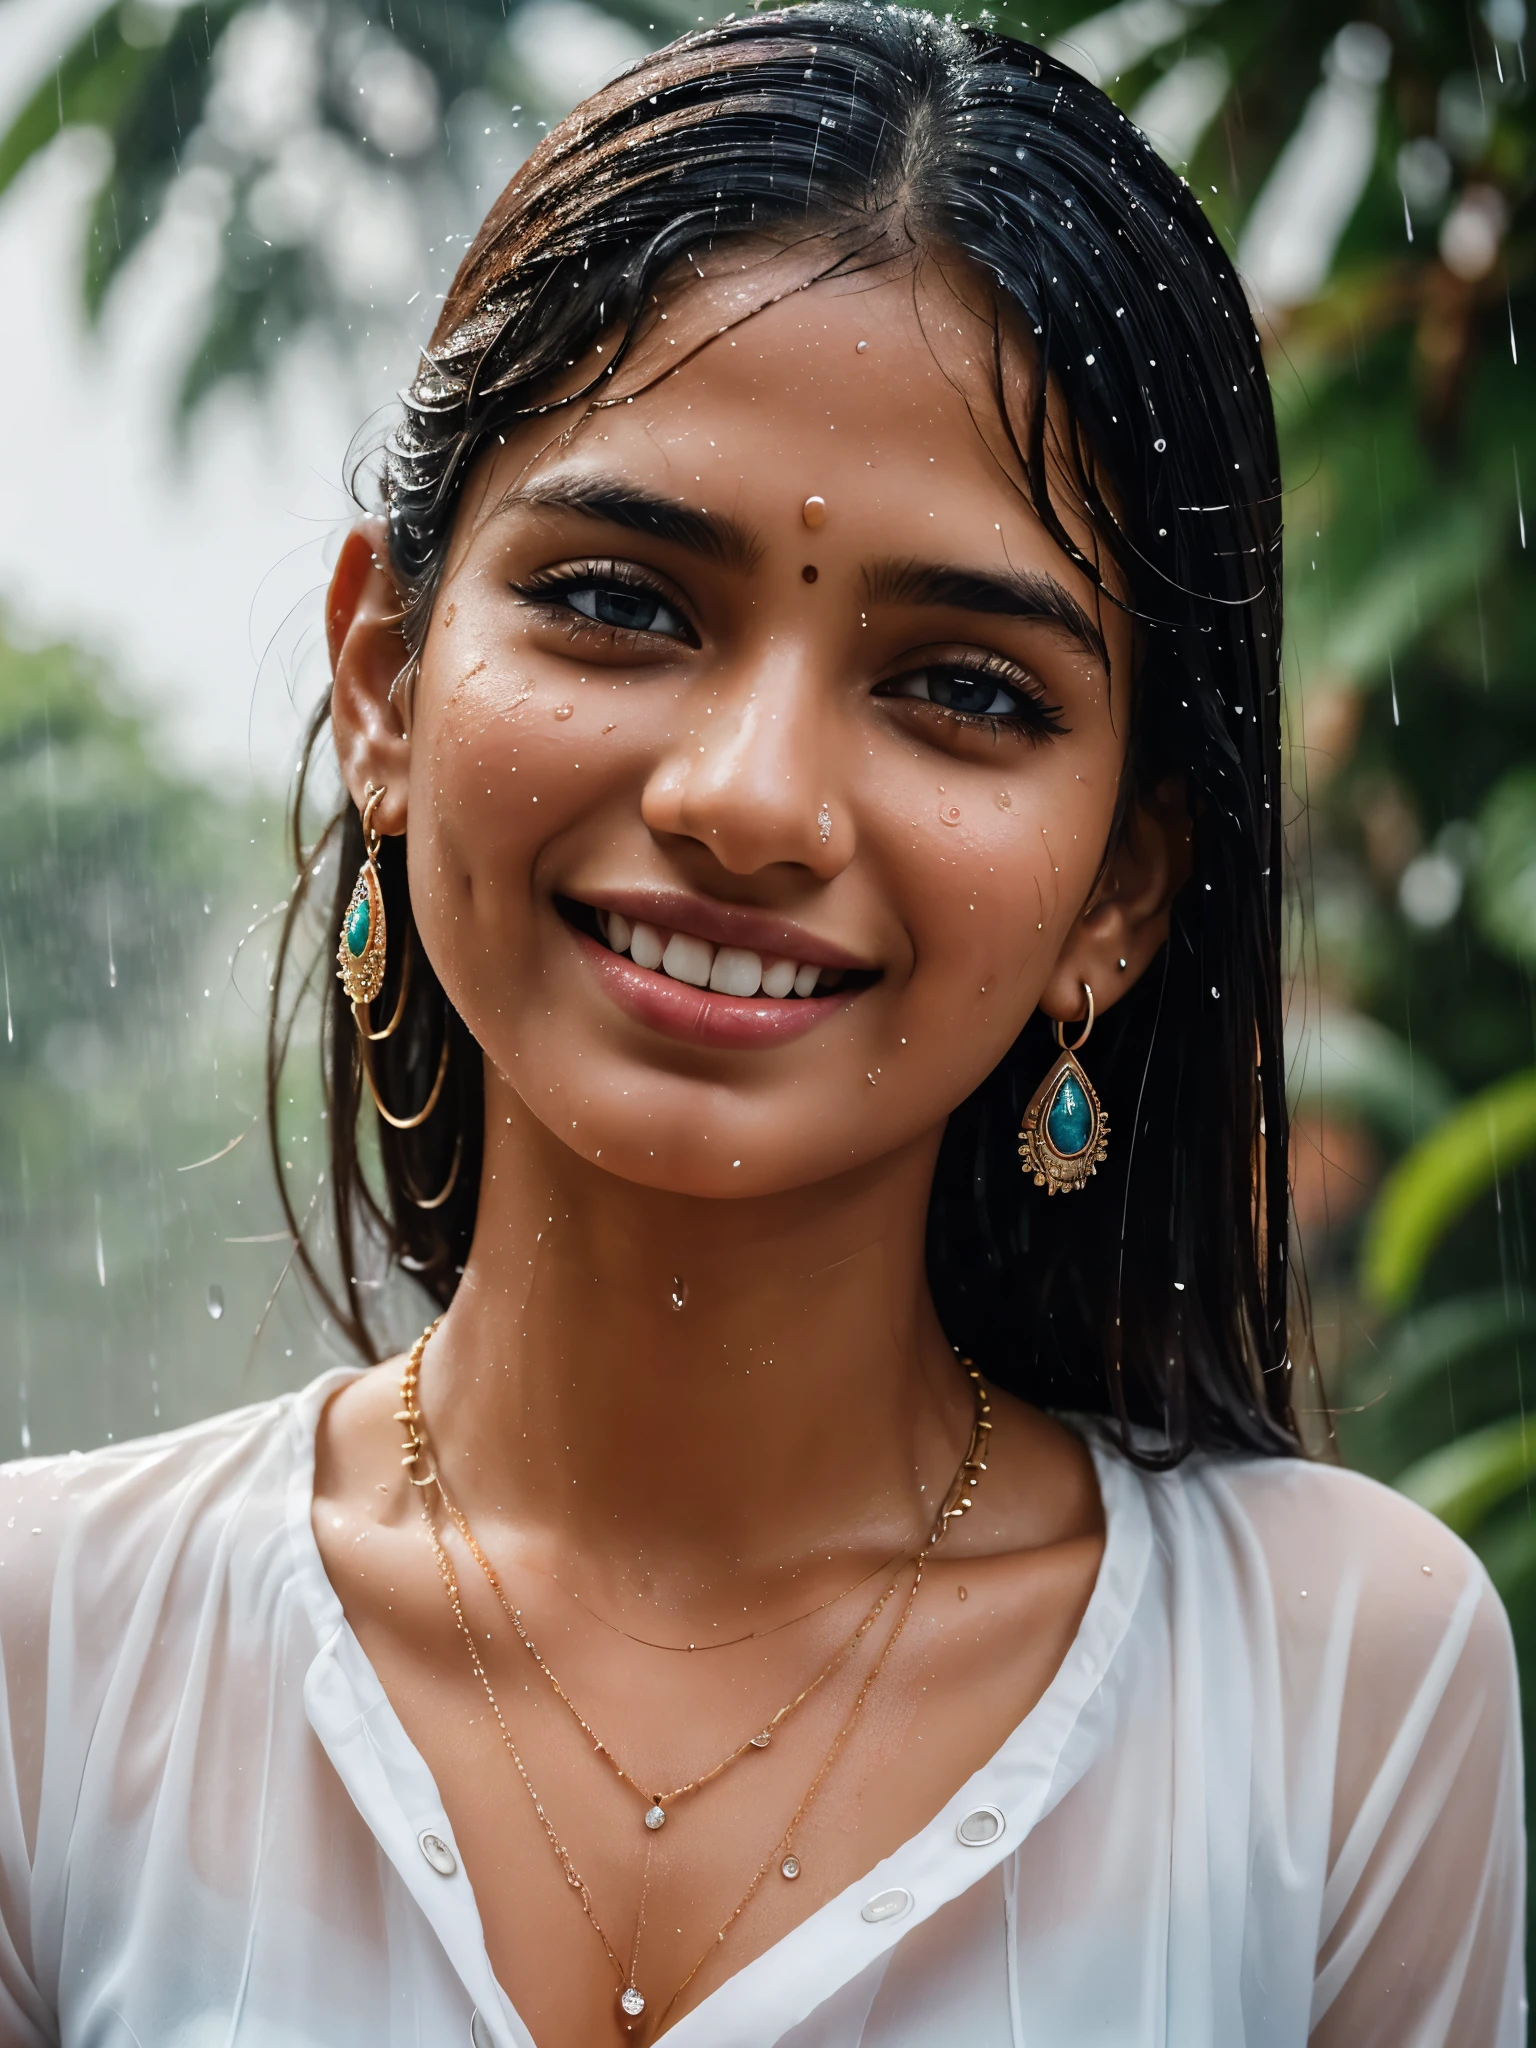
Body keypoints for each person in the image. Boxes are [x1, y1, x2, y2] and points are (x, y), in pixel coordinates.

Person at [0, 8, 1522, 2044]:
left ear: (1122, 889)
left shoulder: (1342, 1685)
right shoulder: (48, 1662)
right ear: (386, 678)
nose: (752, 796)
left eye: (966, 686)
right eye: (625, 601)